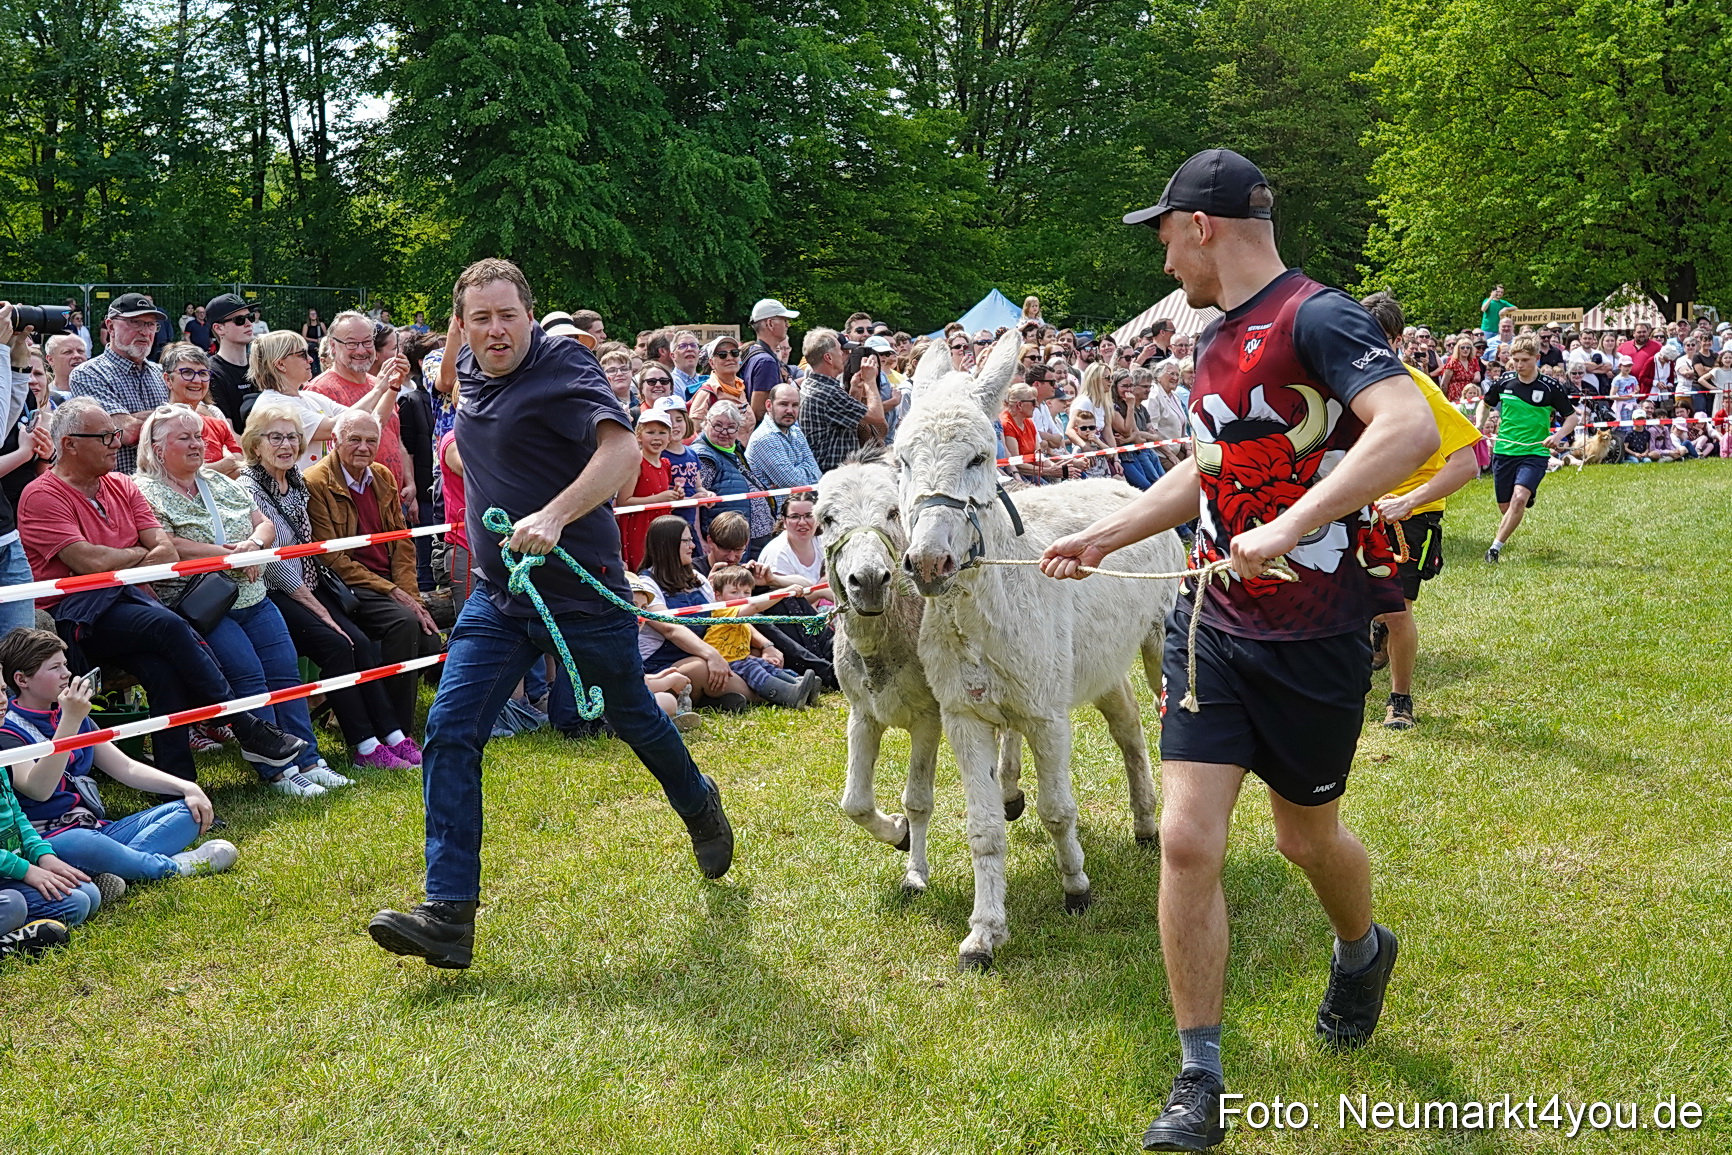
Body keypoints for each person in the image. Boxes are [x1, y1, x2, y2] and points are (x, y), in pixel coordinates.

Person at [1046, 149, 1437, 1150]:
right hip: (1212, 626)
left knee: (1306, 841)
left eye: (1165, 237)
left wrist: (1292, 522)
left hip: (1314, 636)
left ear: (1202, 225)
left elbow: (1405, 430)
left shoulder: (1320, 317)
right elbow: (1208, 469)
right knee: (1187, 840)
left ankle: (1362, 949)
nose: (1163, 261)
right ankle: (1200, 1076)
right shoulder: (1214, 337)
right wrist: (1105, 534)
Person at [368, 259, 732, 971]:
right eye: (480, 318)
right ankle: (448, 915)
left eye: (508, 315)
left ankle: (698, 801)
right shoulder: (467, 366)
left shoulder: (562, 365)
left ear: (529, 317)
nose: (496, 330)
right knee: (450, 729)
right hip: (499, 596)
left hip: (581, 591)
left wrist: (556, 514)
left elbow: (621, 451)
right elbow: (454, 387)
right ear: (461, 326)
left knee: (633, 716)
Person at [18, 398, 308, 785]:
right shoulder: (42, 495)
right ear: (69, 444)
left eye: (115, 434)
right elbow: (89, 562)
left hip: (131, 602)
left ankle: (178, 787)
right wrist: (136, 554)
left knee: (165, 672)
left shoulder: (120, 484)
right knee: (168, 626)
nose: (116, 443)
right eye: (105, 437)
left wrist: (119, 559)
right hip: (79, 613)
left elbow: (166, 550)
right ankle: (245, 726)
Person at [135, 404, 352, 795]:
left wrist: (253, 546)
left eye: (198, 436)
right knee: (249, 678)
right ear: (156, 447)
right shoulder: (144, 491)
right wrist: (227, 555)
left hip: (254, 595)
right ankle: (277, 770)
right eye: (184, 438)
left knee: (286, 675)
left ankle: (308, 759)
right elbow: (169, 544)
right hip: (204, 607)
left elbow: (263, 522)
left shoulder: (219, 481)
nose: (196, 444)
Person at [241, 402, 419, 771]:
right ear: (256, 444)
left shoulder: (296, 482)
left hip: (312, 584)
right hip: (278, 592)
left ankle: (393, 735)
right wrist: (316, 606)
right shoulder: (249, 488)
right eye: (276, 438)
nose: (287, 445)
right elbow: (276, 562)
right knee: (340, 646)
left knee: (362, 644)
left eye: (293, 437)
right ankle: (364, 746)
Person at [1, 628, 238, 880]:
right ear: (22, 680)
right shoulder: (8, 730)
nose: (66, 674)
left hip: (97, 829)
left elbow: (126, 768)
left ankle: (120, 867)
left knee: (188, 811)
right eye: (54, 667)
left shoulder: (71, 714)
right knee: (84, 843)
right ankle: (174, 867)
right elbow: (39, 790)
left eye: (65, 665)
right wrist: (70, 720)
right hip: (50, 840)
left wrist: (186, 787)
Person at [1357, 293, 1483, 731]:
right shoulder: (1341, 385)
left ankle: (1400, 700)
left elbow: (1467, 463)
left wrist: (1407, 501)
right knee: (1348, 604)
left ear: (1397, 341)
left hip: (1409, 516)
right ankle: (1369, 645)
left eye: (1375, 338)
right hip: (1358, 511)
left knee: (1396, 610)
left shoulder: (1419, 388)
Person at [304, 411, 441, 747]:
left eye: (371, 440)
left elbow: (401, 544)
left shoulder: (381, 476)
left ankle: (372, 714)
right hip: (346, 585)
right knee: (405, 625)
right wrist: (394, 592)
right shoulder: (316, 482)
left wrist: (412, 596)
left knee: (428, 638)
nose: (363, 447)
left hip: (386, 584)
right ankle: (397, 731)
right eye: (355, 439)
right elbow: (331, 558)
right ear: (335, 441)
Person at [1476, 334, 1579, 564]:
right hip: (1504, 451)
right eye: (1515, 360)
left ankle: (1494, 549)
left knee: (1519, 498)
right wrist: (1479, 426)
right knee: (1506, 507)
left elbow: (1572, 418)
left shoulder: (1550, 386)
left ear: (1537, 358)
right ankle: (1525, 495)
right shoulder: (1505, 381)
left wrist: (1557, 436)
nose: (1519, 365)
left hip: (1535, 452)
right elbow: (1485, 403)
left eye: (1525, 360)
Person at [308, 311, 416, 507]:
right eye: (351, 343)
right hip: (351, 505)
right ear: (333, 346)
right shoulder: (319, 390)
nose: (361, 350)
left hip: (395, 500)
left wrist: (409, 482)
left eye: (367, 342)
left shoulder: (382, 384)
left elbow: (394, 436)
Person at [67, 294, 172, 475]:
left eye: (151, 324)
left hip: (168, 483)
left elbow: (195, 421)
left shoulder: (161, 373)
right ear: (110, 326)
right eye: (135, 322)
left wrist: (134, 418)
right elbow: (127, 433)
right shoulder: (88, 373)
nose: (145, 331)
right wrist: (172, 415)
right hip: (120, 486)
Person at [701, 566, 819, 708]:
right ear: (718, 595)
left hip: (740, 658)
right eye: (734, 592)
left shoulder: (739, 614)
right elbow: (755, 607)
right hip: (726, 662)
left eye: (746, 592)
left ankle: (798, 683)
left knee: (765, 666)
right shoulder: (722, 610)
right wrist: (783, 592)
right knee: (753, 669)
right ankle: (789, 694)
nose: (742, 597)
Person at [798, 328, 885, 472]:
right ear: (828, 358)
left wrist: (855, 390)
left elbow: (845, 418)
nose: (847, 354)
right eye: (841, 350)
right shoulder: (828, 393)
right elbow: (877, 417)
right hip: (834, 473)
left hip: (826, 471)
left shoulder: (812, 384)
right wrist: (870, 381)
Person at [694, 402, 775, 551]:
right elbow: (696, 504)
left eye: (731, 427)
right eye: (718, 425)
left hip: (749, 539)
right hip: (729, 542)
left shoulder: (733, 450)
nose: (724, 432)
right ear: (706, 423)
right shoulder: (704, 457)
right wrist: (700, 541)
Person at [159, 343, 243, 476]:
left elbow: (239, 464)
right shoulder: (159, 426)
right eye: (187, 373)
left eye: (203, 373)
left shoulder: (217, 423)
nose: (197, 380)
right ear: (168, 380)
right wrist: (221, 467)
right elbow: (169, 475)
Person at [616, 406, 680, 571]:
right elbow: (623, 501)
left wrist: (675, 496)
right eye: (650, 432)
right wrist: (659, 499)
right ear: (638, 435)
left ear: (669, 437)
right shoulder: (636, 463)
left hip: (661, 529)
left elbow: (662, 497)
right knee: (642, 569)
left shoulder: (665, 464)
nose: (656, 438)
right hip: (639, 528)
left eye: (662, 433)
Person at [745, 382, 821, 492]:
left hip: (803, 500)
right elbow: (795, 483)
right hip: (783, 503)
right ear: (769, 405)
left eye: (795, 405)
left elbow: (818, 474)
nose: (790, 410)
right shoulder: (764, 438)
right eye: (783, 404)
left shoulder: (795, 430)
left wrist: (798, 471)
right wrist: (806, 468)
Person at [755, 496, 831, 603]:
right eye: (795, 516)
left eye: (809, 515)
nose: (802, 522)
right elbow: (785, 604)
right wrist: (820, 591)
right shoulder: (777, 553)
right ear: (784, 521)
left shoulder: (824, 542)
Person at [203, 293, 260, 425]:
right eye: (240, 320)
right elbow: (228, 432)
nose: (248, 324)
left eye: (250, 317)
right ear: (219, 328)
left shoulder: (261, 366)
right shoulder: (211, 373)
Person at [687, 335, 756, 439]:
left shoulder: (740, 388)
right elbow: (694, 434)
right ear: (712, 363)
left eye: (734, 353)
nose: (730, 358)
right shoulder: (706, 394)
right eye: (722, 355)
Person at [744, 299, 798, 421]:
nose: (788, 325)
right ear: (770, 323)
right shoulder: (766, 362)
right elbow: (759, 413)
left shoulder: (751, 352)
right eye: (784, 320)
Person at [670, 330, 704, 398]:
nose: (689, 349)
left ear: (699, 353)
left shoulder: (706, 381)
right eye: (683, 346)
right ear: (673, 356)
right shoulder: (669, 382)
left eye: (693, 345)